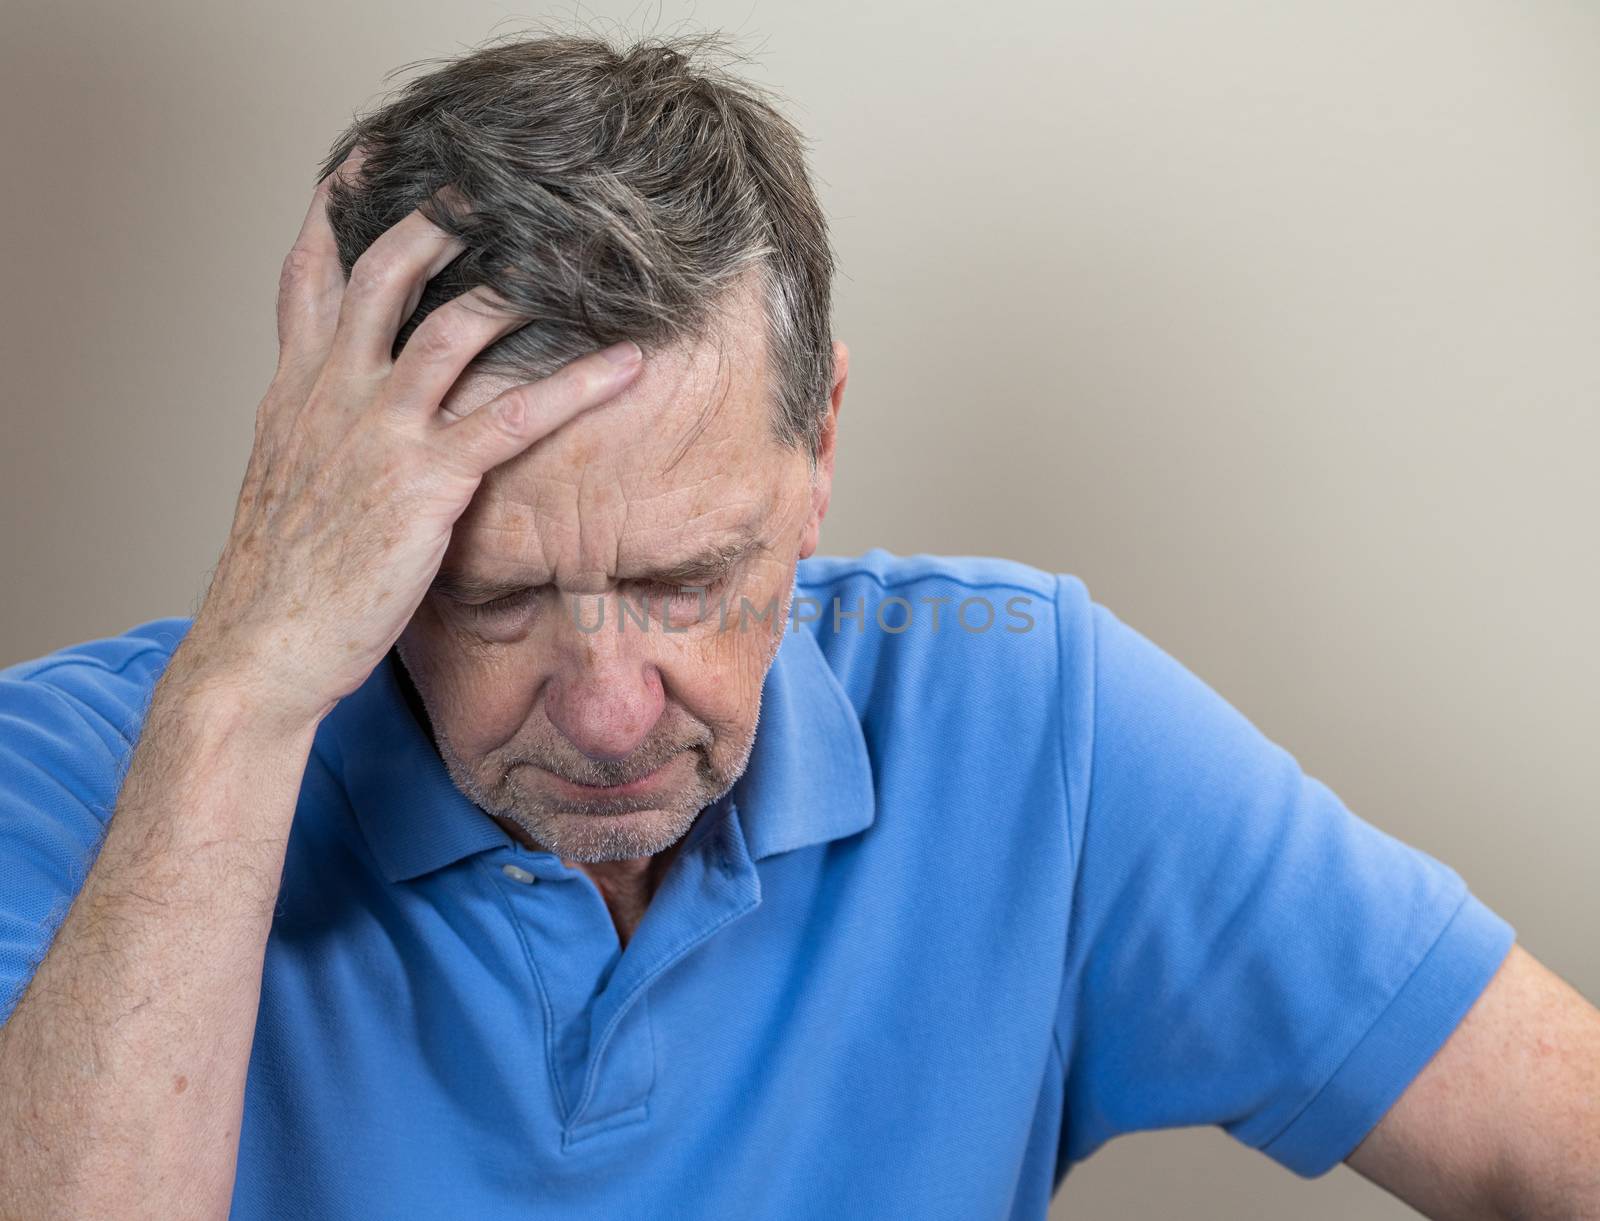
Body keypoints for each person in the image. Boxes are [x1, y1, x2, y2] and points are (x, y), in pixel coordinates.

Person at [0, 30, 1595, 1221]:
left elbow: (1552, 1134)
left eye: (692, 581)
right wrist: (241, 701)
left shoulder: (1028, 716)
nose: (617, 709)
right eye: (495, 597)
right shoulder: (75, 783)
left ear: (819, 447)